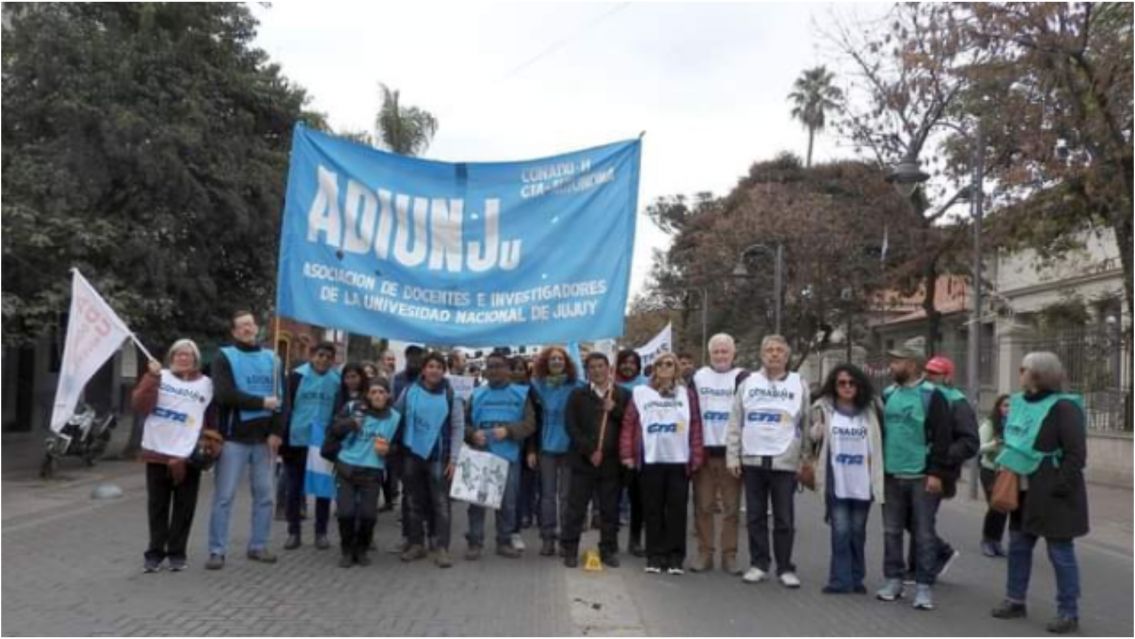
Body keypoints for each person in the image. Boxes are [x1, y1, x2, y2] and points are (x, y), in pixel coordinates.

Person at [990, 352, 1087, 634]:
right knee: (1019, 546)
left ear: (1038, 374)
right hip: (1022, 487)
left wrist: (1061, 486)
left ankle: (1068, 612)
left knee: (1060, 553)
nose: (1019, 373)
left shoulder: (1064, 408)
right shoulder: (1019, 403)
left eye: (1023, 369)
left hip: (1054, 490)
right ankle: (1015, 600)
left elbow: (1076, 454)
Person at [874, 346, 969, 610]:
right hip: (891, 474)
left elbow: (942, 437)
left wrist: (936, 473)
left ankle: (924, 586)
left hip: (921, 476)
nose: (891, 366)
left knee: (924, 533)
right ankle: (893, 579)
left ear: (912, 365)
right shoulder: (889, 394)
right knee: (891, 531)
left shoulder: (932, 396)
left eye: (896, 362)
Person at [726, 335, 810, 588]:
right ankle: (758, 564)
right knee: (755, 516)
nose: (774, 354)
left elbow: (805, 424)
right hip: (752, 459)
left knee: (784, 518)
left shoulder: (799, 384)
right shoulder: (748, 383)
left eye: (779, 351)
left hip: (784, 461)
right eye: (769, 350)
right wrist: (733, 455)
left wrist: (804, 459)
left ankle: (785, 568)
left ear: (787, 356)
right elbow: (735, 421)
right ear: (762, 355)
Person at [206, 310, 284, 569]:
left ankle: (258, 546)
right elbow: (225, 395)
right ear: (234, 331)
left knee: (265, 497)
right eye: (242, 326)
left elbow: (282, 401)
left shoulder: (273, 359)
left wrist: (276, 432)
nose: (248, 329)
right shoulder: (224, 356)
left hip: (263, 441)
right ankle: (217, 550)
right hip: (233, 439)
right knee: (224, 496)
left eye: (251, 324)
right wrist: (261, 402)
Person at [132, 339, 216, 572]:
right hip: (157, 451)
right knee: (157, 507)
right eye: (178, 354)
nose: (183, 358)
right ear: (171, 357)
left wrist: (210, 442)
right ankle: (154, 554)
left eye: (188, 354)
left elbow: (210, 416)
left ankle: (177, 553)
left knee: (184, 507)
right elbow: (139, 404)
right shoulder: (160, 376)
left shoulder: (206, 384)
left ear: (195, 359)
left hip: (188, 455)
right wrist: (151, 378)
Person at [620, 352, 705, 575]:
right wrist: (627, 454)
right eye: (660, 364)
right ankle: (654, 556)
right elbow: (629, 424)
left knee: (676, 510)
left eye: (669, 364)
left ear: (676, 368)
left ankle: (675, 557)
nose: (665, 367)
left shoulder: (687, 394)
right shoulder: (641, 393)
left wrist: (696, 456)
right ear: (654, 369)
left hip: (678, 460)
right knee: (653, 510)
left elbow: (695, 425)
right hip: (650, 460)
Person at [805, 364, 884, 594]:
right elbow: (810, 441)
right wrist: (814, 433)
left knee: (858, 532)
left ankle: (857, 578)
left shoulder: (872, 409)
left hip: (864, 482)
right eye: (842, 383)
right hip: (836, 481)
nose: (847, 387)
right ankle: (839, 580)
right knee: (840, 530)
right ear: (834, 385)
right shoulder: (822, 409)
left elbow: (882, 440)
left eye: (852, 383)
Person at [906, 355, 979, 580]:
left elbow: (969, 442)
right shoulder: (921, 395)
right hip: (914, 466)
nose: (930, 376)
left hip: (939, 469)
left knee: (922, 518)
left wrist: (941, 454)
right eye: (927, 371)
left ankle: (922, 568)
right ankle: (933, 556)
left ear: (948, 376)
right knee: (911, 517)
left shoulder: (957, 402)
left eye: (935, 373)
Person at [561, 353, 631, 568]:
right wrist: (589, 450)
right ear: (587, 371)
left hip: (611, 464)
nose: (597, 370)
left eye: (601, 366)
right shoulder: (578, 395)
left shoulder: (622, 394)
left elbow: (630, 424)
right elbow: (571, 426)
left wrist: (615, 410)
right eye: (592, 367)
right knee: (576, 508)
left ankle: (608, 549)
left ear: (609, 368)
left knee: (609, 509)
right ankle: (570, 548)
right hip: (584, 461)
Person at [464, 352, 536, 559]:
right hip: (481, 454)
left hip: (509, 455)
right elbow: (464, 423)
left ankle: (503, 542)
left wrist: (509, 431)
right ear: (485, 370)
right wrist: (471, 435)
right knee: (477, 502)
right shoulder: (476, 394)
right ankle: (475, 542)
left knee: (508, 502)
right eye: (490, 366)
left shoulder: (521, 394)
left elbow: (531, 424)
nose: (494, 370)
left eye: (499, 366)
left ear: (508, 369)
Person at [396, 351, 464, 568]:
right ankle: (416, 544)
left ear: (443, 371)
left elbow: (458, 427)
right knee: (413, 501)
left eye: (438, 367)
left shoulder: (450, 395)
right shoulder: (409, 392)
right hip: (411, 454)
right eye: (430, 366)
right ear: (424, 370)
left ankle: (442, 548)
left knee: (441, 503)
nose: (434, 370)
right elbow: (395, 416)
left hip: (438, 457)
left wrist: (453, 459)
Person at [690, 333, 748, 574]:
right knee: (703, 506)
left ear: (733, 354)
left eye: (725, 351)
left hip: (731, 455)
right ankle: (705, 553)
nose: (721, 356)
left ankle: (729, 555)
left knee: (731, 509)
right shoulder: (698, 377)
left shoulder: (744, 378)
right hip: (704, 453)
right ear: (709, 354)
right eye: (716, 352)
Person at [328, 377, 399, 567]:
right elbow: (334, 429)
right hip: (346, 468)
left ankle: (361, 549)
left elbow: (400, 447)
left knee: (369, 516)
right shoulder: (353, 408)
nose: (377, 396)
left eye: (381, 392)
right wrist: (352, 423)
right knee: (346, 514)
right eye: (374, 392)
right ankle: (346, 550)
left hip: (372, 471)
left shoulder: (395, 417)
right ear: (367, 394)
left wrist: (389, 449)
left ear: (388, 395)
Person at [282, 341, 340, 551]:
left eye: (328, 357)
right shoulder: (296, 377)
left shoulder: (336, 380)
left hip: (322, 443)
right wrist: (282, 438)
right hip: (297, 439)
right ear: (311, 355)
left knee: (323, 489)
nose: (323, 360)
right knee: (294, 489)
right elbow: (285, 408)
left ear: (333, 360)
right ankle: (293, 532)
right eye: (320, 355)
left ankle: (321, 532)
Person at [528, 346, 584, 557]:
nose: (557, 362)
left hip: (570, 448)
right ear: (545, 362)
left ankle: (566, 539)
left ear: (567, 362)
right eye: (553, 359)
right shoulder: (536, 386)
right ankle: (548, 537)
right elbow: (532, 419)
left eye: (560, 359)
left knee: (567, 496)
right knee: (547, 496)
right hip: (546, 448)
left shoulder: (578, 386)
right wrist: (531, 449)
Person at [387, 344, 425, 555]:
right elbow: (392, 410)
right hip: (403, 444)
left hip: (425, 444)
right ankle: (407, 536)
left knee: (426, 493)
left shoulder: (430, 379)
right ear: (406, 357)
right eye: (411, 357)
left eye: (418, 357)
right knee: (408, 492)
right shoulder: (397, 380)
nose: (414, 361)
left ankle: (425, 536)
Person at [614, 348, 647, 557]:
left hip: (636, 448)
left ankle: (635, 540)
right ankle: (609, 541)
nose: (628, 366)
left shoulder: (646, 386)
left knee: (638, 498)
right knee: (612, 496)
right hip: (611, 447)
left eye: (632, 363)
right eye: (624, 362)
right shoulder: (610, 385)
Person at [978, 394, 1011, 558]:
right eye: (1005, 405)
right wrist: (994, 444)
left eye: (1011, 406)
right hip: (989, 470)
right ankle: (987, 540)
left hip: (1006, 471)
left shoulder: (1014, 426)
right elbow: (978, 447)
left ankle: (996, 540)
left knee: (1003, 506)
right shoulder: (990, 424)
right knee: (994, 505)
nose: (1008, 409)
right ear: (998, 407)